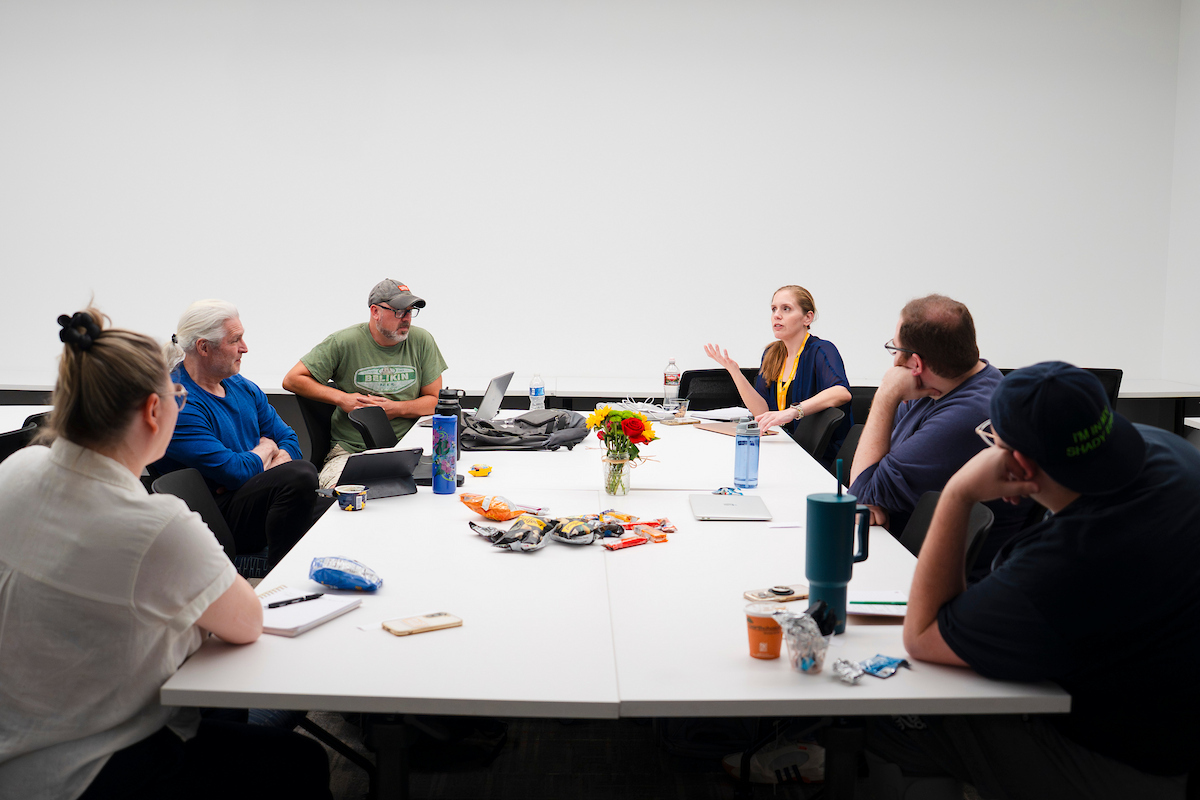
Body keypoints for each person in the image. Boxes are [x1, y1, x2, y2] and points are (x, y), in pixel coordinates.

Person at [0, 309, 332, 800]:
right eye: (176, 396)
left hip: (16, 750)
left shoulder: (17, 469)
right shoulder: (159, 524)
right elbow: (245, 623)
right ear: (155, 411)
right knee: (301, 762)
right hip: (93, 768)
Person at [867, 362, 1199, 799]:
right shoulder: (1168, 448)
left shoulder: (1062, 562)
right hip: (1175, 718)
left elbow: (923, 636)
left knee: (883, 714)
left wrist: (958, 493)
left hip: (1129, 765)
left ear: (1018, 463)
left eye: (992, 442)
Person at [848, 294, 1029, 580]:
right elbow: (871, 481)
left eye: (895, 349)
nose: (894, 360)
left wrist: (886, 393)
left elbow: (860, 495)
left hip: (937, 580)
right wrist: (871, 490)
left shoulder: (965, 416)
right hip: (907, 550)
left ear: (916, 364)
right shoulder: (945, 384)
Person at [155, 300, 317, 568]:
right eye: (236, 340)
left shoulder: (241, 386)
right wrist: (266, 449)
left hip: (247, 498)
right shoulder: (178, 401)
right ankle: (283, 578)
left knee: (333, 505)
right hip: (214, 520)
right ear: (204, 347)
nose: (245, 348)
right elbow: (233, 471)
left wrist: (255, 470)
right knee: (299, 475)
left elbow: (289, 440)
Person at [283, 279, 448, 489]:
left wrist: (394, 409)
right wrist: (342, 398)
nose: (406, 318)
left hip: (409, 451)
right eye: (398, 311)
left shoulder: (421, 341)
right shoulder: (344, 342)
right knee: (345, 497)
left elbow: (434, 401)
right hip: (352, 451)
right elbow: (292, 379)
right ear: (375, 311)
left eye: (410, 311)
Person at [704, 285, 852, 464]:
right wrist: (735, 372)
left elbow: (841, 392)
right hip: (783, 448)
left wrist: (793, 412)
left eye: (786, 309)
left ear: (807, 317)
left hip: (817, 456)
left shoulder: (822, 350)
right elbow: (762, 412)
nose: (777, 315)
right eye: (774, 309)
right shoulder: (772, 353)